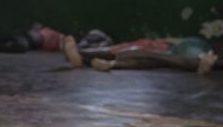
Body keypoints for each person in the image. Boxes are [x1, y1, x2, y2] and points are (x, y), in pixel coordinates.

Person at [62, 35, 220, 75]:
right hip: (185, 50)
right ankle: (84, 57)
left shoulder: (193, 46)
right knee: (147, 57)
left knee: (151, 57)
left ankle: (84, 58)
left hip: (196, 51)